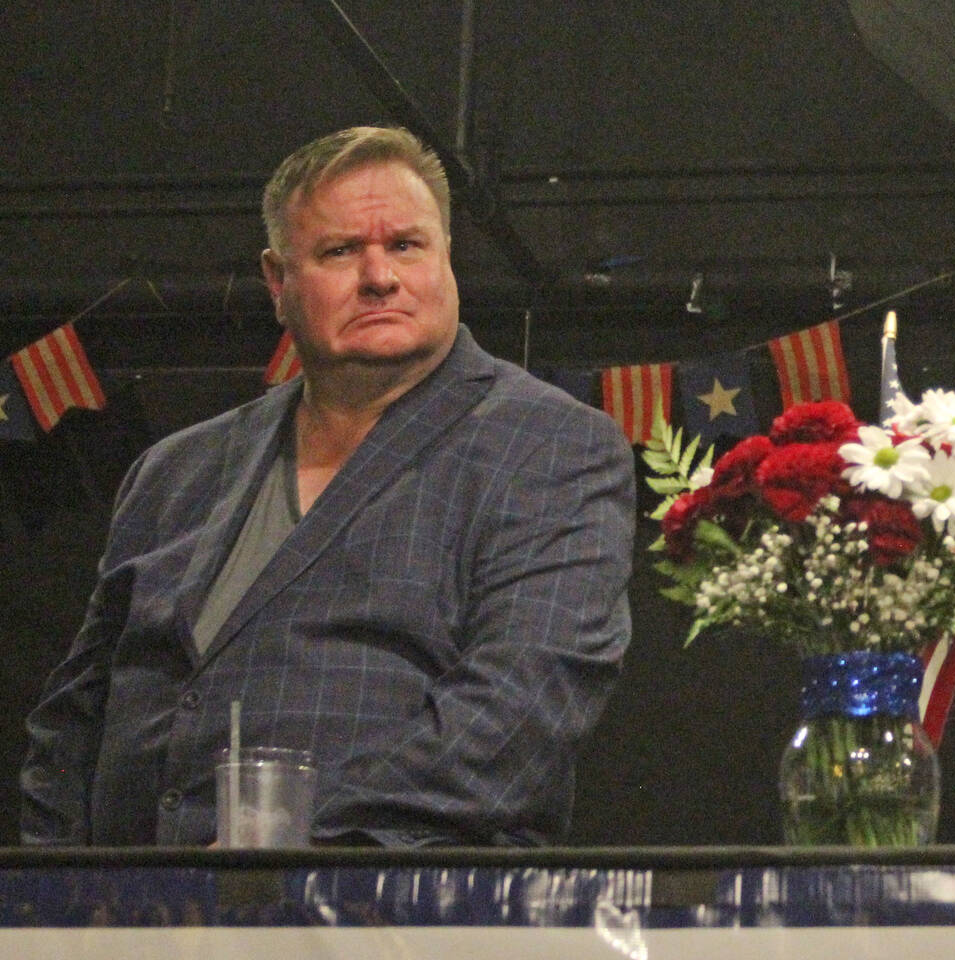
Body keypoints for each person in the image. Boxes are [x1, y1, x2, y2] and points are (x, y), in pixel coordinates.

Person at [19, 126, 637, 846]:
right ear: (278, 283)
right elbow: (71, 722)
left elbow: (517, 713)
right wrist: (56, 904)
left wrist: (285, 858)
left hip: (401, 922)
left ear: (446, 258)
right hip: (128, 932)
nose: (380, 276)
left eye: (406, 245)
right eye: (341, 251)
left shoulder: (549, 444)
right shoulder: (174, 471)